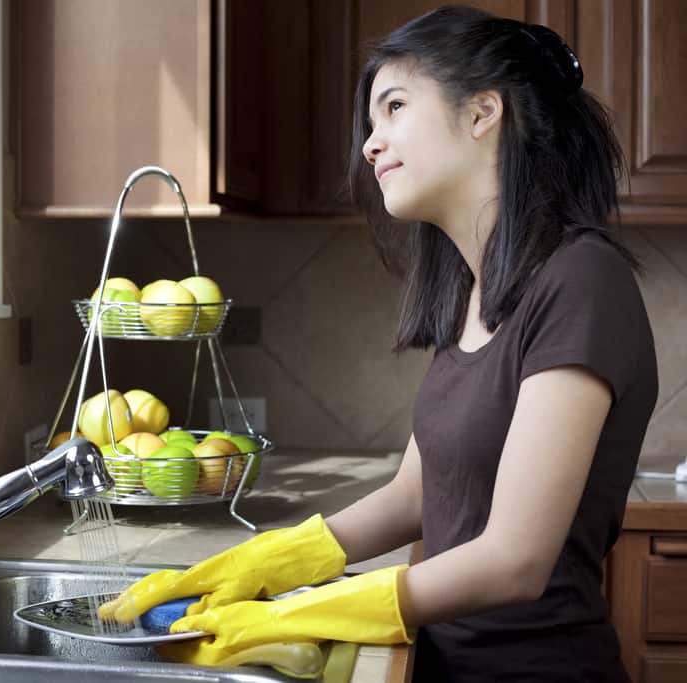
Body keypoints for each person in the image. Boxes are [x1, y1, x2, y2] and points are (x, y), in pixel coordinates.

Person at [99, 6, 658, 682]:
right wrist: (274, 561)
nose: (371, 143)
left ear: (483, 113)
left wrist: (307, 611)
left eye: (394, 107)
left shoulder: (581, 281)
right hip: (445, 662)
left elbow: (516, 557)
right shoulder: (470, 290)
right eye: (371, 122)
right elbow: (413, 495)